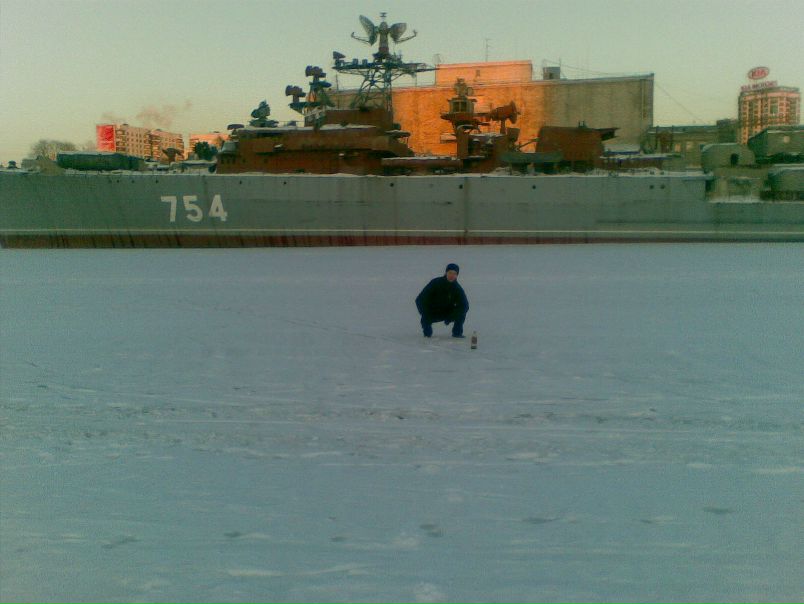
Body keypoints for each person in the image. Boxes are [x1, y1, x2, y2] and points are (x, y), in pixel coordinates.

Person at [415, 263, 469, 338]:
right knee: (427, 330)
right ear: (446, 273)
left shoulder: (457, 288)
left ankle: (457, 333)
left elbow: (465, 305)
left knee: (462, 312)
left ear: (457, 275)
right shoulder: (435, 283)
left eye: (454, 274)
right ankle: (427, 333)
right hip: (433, 312)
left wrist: (452, 316)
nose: (452, 276)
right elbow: (420, 299)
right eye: (450, 273)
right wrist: (424, 313)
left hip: (447, 313)